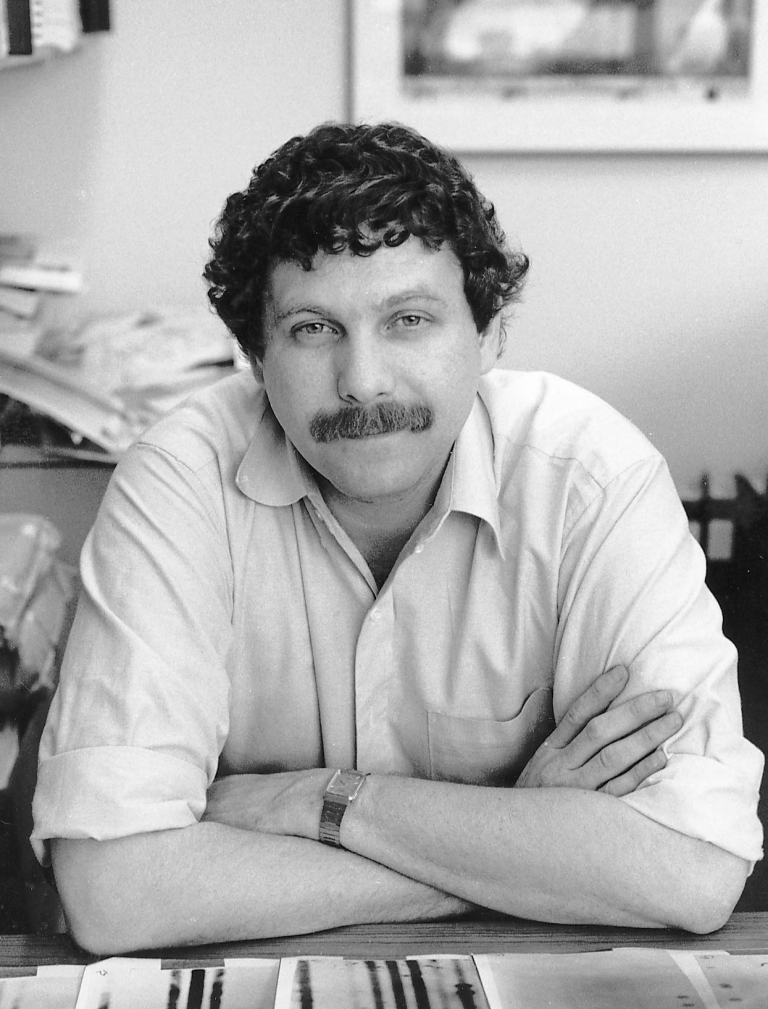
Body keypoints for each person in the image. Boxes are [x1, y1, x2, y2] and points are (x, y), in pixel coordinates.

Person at [33, 122, 762, 954]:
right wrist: (520, 842)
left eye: (409, 319)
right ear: (253, 355)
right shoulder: (179, 479)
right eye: (313, 329)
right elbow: (115, 891)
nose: (363, 380)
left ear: (488, 334)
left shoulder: (589, 477)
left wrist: (323, 803)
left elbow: (694, 866)